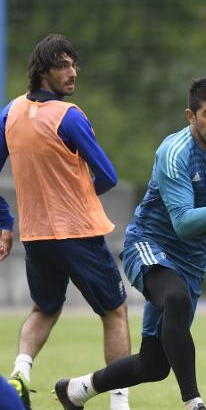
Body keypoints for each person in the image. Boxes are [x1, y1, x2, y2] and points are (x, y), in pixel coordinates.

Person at [54, 76, 206, 410]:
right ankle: (193, 401)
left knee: (153, 365)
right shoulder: (174, 152)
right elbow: (184, 224)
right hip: (148, 244)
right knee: (176, 298)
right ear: (191, 116)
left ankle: (76, 390)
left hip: (192, 260)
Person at [0, 33, 131, 410]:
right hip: (79, 233)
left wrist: (4, 220)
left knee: (45, 308)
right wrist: (76, 195)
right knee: (115, 311)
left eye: (74, 64)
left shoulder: (10, 113)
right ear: (42, 71)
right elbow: (107, 175)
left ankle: (20, 374)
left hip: (37, 237)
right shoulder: (69, 118)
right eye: (63, 66)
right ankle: (119, 402)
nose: (72, 72)